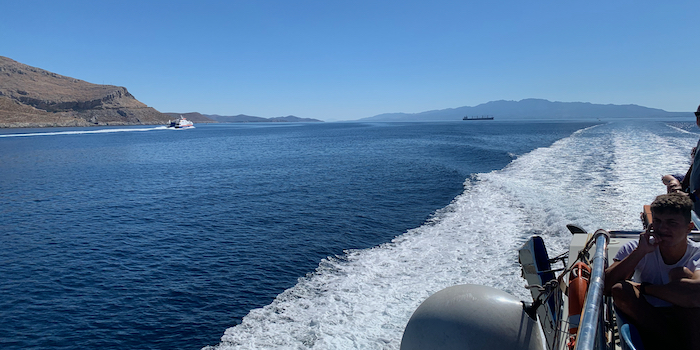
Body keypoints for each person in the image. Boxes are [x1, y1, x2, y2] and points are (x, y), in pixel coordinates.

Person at [604, 193, 700, 349]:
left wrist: (645, 288)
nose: (663, 228)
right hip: (647, 319)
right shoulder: (635, 248)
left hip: (688, 323)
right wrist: (639, 252)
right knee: (620, 289)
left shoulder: (697, 253)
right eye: (657, 221)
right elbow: (607, 287)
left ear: (689, 228)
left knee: (680, 274)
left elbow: (697, 293)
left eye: (672, 223)